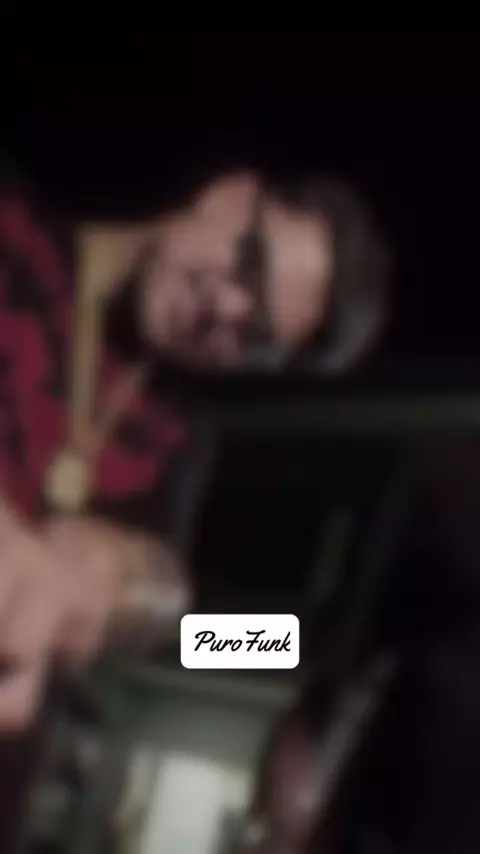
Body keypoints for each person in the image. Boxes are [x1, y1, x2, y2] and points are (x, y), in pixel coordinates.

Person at [0, 163, 389, 732]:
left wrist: (126, 585)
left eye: (255, 336)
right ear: (227, 195)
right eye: (250, 263)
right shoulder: (15, 233)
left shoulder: (172, 432)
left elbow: (214, 634)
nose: (225, 309)